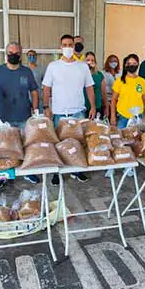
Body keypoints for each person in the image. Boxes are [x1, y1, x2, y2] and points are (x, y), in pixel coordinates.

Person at [43, 34, 96, 185]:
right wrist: (46, 107)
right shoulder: (53, 66)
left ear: (74, 47)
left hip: (78, 111)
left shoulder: (82, 66)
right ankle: (56, 172)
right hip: (59, 112)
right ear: (60, 47)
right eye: (64, 45)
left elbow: (89, 88)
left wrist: (92, 106)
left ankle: (77, 170)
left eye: (70, 45)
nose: (67, 47)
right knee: (58, 143)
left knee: (78, 143)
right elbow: (46, 88)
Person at [0, 42, 40, 184]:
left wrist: (35, 111)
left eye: (16, 53)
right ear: (6, 54)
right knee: (3, 148)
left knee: (24, 146)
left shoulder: (26, 71)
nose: (13, 55)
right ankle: (2, 175)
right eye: (10, 53)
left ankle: (27, 172)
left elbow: (34, 92)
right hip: (3, 118)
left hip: (24, 116)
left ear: (20, 55)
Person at [110, 54, 145, 129]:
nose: (132, 65)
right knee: (121, 139)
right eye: (129, 63)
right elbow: (113, 100)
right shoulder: (119, 81)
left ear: (138, 64)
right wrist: (112, 116)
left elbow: (144, 100)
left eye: (134, 63)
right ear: (125, 65)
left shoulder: (142, 81)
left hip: (138, 117)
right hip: (123, 117)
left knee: (137, 139)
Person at [84, 51, 107, 117]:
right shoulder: (81, 75)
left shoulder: (99, 75)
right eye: (88, 60)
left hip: (97, 107)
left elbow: (103, 93)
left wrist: (106, 107)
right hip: (83, 108)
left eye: (92, 60)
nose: (90, 62)